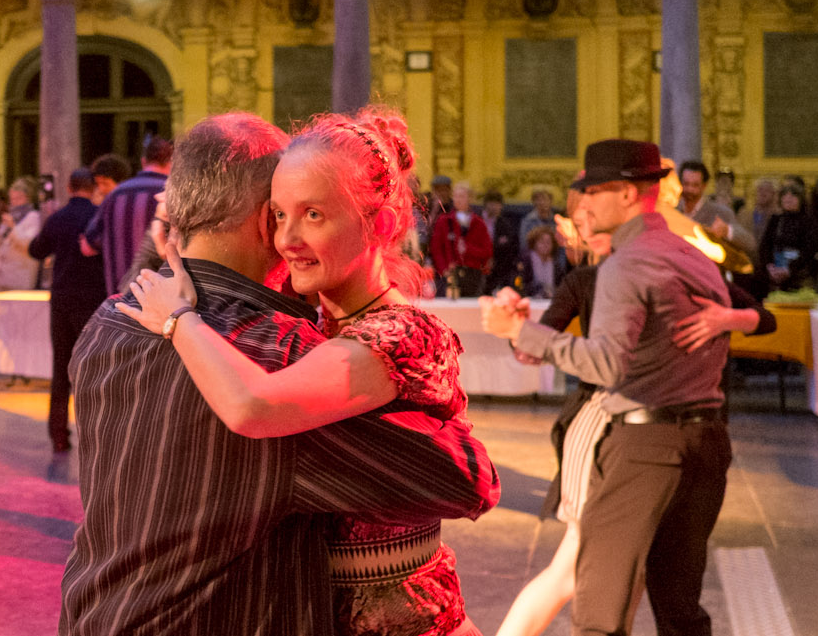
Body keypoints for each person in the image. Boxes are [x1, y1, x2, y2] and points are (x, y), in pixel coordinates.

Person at [61, 112, 498, 636]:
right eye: (282, 213)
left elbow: (466, 479)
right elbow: (462, 478)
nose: (290, 235)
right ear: (264, 222)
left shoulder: (111, 320)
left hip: (92, 615)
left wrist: (180, 312)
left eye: (312, 213)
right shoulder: (277, 347)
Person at [480, 138, 734, 636]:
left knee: (600, 611)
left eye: (594, 191)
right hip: (707, 438)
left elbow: (607, 365)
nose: (584, 204)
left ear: (629, 194)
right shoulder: (692, 255)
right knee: (679, 607)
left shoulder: (627, 262)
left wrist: (519, 332)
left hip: (645, 442)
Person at [29, 168, 107, 452]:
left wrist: (47, 223)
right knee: (92, 367)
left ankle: (58, 435)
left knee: (61, 368)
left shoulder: (58, 217)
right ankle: (94, 434)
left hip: (62, 298)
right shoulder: (99, 215)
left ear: (68, 186)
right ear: (94, 187)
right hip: (93, 299)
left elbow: (36, 251)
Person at [83, 136, 171, 291]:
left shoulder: (115, 195)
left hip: (119, 301)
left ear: (144, 161)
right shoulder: (174, 194)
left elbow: (88, 246)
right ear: (172, 162)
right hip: (165, 302)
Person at [676, 160, 757, 264]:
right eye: (686, 184)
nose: (690, 189)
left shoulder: (720, 212)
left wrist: (727, 230)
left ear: (704, 186)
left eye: (695, 185)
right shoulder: (673, 210)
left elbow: (750, 243)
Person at [430, 181, 491, 297]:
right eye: (456, 196)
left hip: (472, 274)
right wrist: (443, 269)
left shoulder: (479, 223)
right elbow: (436, 248)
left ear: (470, 199)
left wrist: (468, 249)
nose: (458, 200)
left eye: (462, 196)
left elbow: (487, 251)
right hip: (450, 273)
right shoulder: (444, 221)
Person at [759, 184, 818, 292]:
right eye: (785, 195)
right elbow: (765, 246)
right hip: (775, 275)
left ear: (800, 199)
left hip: (800, 276)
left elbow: (809, 250)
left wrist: (789, 269)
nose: (788, 198)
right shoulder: (776, 220)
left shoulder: (809, 222)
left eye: (793, 195)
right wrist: (769, 266)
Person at [0, 178, 44, 291]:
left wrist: (13, 227)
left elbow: (29, 244)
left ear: (28, 198)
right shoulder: (11, 215)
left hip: (19, 279)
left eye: (19, 198)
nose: (15, 202)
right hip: (0, 278)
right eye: (13, 199)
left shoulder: (34, 217)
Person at [514, 225, 569, 299]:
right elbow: (518, 283)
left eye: (548, 242)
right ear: (534, 243)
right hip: (529, 299)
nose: (545, 245)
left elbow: (562, 284)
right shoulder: (524, 261)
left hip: (551, 300)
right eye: (542, 242)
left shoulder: (556, 264)